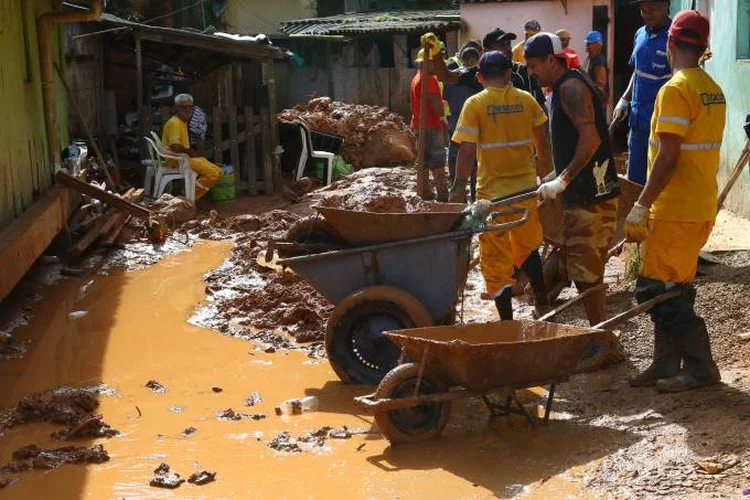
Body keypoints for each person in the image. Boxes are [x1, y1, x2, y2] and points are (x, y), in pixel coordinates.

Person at [624, 10, 725, 393]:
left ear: (670, 44)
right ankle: (666, 362)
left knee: (654, 290)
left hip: (674, 209)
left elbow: (667, 156)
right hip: (699, 206)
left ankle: (701, 367)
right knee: (674, 286)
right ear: (702, 47)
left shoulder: (675, 89)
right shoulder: (712, 88)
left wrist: (641, 205)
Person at [525, 33, 620, 326]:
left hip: (592, 196)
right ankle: (597, 334)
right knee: (580, 271)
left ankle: (601, 339)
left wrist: (562, 180)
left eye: (535, 65)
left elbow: (590, 140)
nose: (531, 72)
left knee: (588, 276)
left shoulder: (571, 88)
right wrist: (553, 177)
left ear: (551, 60)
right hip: (582, 193)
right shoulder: (563, 87)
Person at [449, 51, 552, 319]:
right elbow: (542, 138)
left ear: (480, 77)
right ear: (509, 74)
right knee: (527, 247)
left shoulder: (475, 104)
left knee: (496, 261)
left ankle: (507, 322)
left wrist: (458, 186)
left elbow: (467, 151)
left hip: (492, 198)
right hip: (526, 190)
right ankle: (542, 299)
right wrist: (548, 173)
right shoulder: (526, 100)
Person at [612, 0, 672, 185]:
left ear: (666, 5)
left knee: (659, 179)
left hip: (663, 125)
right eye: (642, 10)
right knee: (635, 180)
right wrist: (624, 99)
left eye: (651, 9)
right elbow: (637, 72)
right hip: (638, 122)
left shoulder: (674, 38)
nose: (646, 14)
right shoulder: (640, 34)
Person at [431, 29, 546, 110]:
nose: (507, 49)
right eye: (501, 45)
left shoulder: (524, 71)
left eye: (508, 44)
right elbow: (445, 76)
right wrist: (436, 54)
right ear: (487, 51)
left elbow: (540, 108)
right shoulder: (478, 73)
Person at [410, 41, 450, 201]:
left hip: (419, 125)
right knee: (438, 161)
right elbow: (434, 101)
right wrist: (443, 117)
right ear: (430, 62)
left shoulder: (416, 78)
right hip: (432, 126)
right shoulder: (429, 80)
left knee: (424, 161)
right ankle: (443, 195)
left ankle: (425, 193)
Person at [162, 94, 221, 200]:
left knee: (217, 169)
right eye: (184, 107)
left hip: (183, 159)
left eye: (190, 106)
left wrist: (190, 153)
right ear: (176, 108)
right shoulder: (174, 123)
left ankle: (189, 194)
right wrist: (189, 151)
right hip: (176, 160)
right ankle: (188, 197)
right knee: (214, 173)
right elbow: (174, 147)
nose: (188, 109)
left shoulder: (183, 122)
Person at [445, 45, 481, 199]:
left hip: (454, 127)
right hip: (473, 131)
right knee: (475, 169)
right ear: (475, 60)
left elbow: (445, 100)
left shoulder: (451, 79)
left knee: (455, 168)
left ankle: (457, 204)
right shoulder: (476, 79)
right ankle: (475, 200)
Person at [583, 31, 609, 110]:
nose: (587, 47)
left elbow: (601, 84)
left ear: (597, 45)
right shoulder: (593, 59)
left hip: (597, 101)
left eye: (589, 44)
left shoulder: (598, 61)